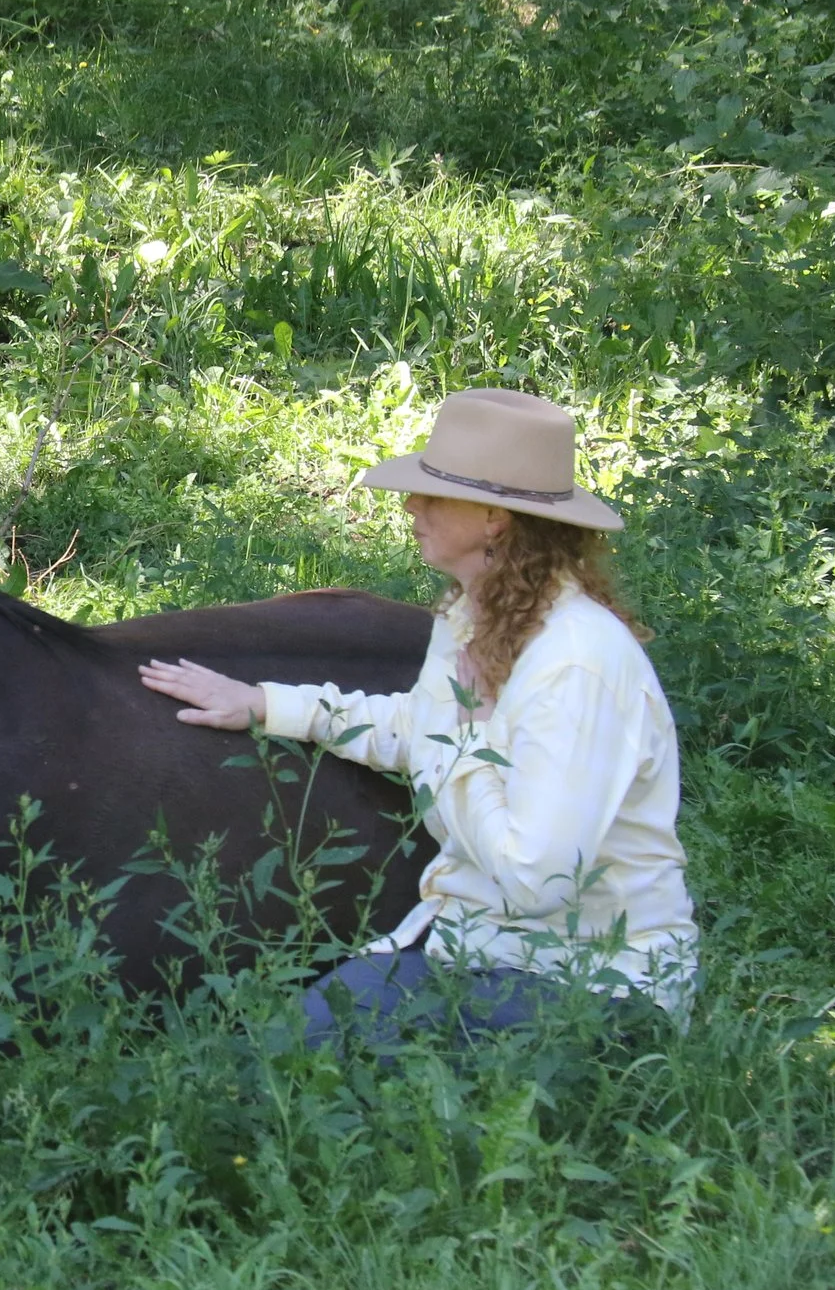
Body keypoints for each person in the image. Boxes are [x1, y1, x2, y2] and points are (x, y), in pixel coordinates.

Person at [139, 388, 695, 1051]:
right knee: (279, 1048)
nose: (411, 505)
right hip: (475, 945)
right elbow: (416, 727)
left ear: (493, 517)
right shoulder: (471, 617)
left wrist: (466, 740)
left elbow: (537, 879)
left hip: (592, 989)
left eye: (433, 493)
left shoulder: (577, 663)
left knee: (278, 1070)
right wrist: (264, 703)